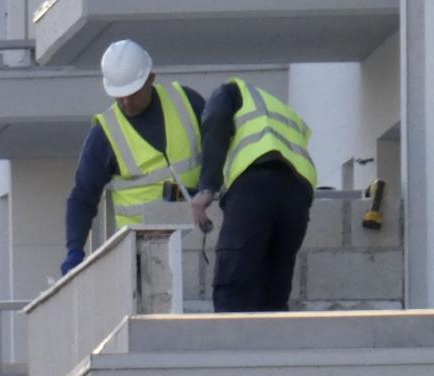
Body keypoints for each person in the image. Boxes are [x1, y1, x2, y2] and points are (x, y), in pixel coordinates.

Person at [60, 39, 205, 277]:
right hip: (144, 255)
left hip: (202, 238)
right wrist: (74, 250)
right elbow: (82, 197)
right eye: (119, 95)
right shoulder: (106, 133)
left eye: (132, 93)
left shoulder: (186, 102)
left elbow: (222, 152)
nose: (126, 101)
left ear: (150, 78)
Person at [190, 79, 316, 312]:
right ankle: (270, 348)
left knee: (233, 289)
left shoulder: (229, 91)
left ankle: (231, 348)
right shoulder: (279, 110)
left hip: (256, 185)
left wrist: (207, 188)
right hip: (298, 197)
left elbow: (216, 119)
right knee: (273, 294)